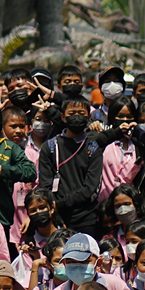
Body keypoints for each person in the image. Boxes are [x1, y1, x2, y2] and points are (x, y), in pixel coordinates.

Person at [40, 92, 105, 234]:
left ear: (88, 117)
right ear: (62, 117)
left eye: (81, 113)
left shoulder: (93, 148)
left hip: (86, 218)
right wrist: (53, 209)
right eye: (72, 113)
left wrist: (60, 204)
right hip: (57, 218)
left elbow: (90, 188)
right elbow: (45, 185)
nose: (76, 117)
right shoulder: (50, 147)